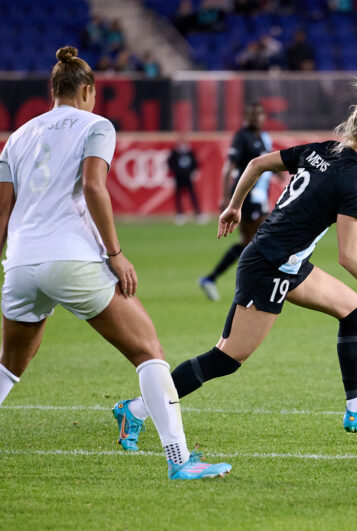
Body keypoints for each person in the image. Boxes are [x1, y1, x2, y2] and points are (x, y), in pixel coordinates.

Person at [115, 78, 357, 451]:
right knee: (226, 358)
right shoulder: (353, 185)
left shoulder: (323, 150)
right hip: (270, 268)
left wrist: (234, 205)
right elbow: (349, 256)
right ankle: (135, 409)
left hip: (284, 262)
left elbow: (259, 163)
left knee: (353, 308)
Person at [0, 46, 230, 480]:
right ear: (88, 90)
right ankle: (181, 460)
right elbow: (93, 186)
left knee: (8, 365)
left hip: (20, 264)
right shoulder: (97, 125)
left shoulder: (17, 136)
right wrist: (115, 253)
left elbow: (1, 214)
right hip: (71, 260)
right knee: (148, 352)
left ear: (52, 89)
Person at [199, 102, 273, 301]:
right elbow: (228, 167)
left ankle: (212, 279)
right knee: (259, 239)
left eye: (260, 113)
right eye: (253, 113)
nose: (257, 117)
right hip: (246, 196)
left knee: (251, 242)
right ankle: (253, 285)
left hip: (259, 196)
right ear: (247, 117)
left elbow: (267, 163)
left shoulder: (263, 137)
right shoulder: (242, 137)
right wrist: (226, 199)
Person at [167, 136, 201, 225]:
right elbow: (170, 163)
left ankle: (198, 214)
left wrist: (193, 172)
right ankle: (180, 214)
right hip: (178, 178)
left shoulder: (189, 152)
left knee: (192, 196)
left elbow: (195, 163)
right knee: (178, 197)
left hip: (188, 178)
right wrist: (175, 172)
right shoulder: (174, 153)